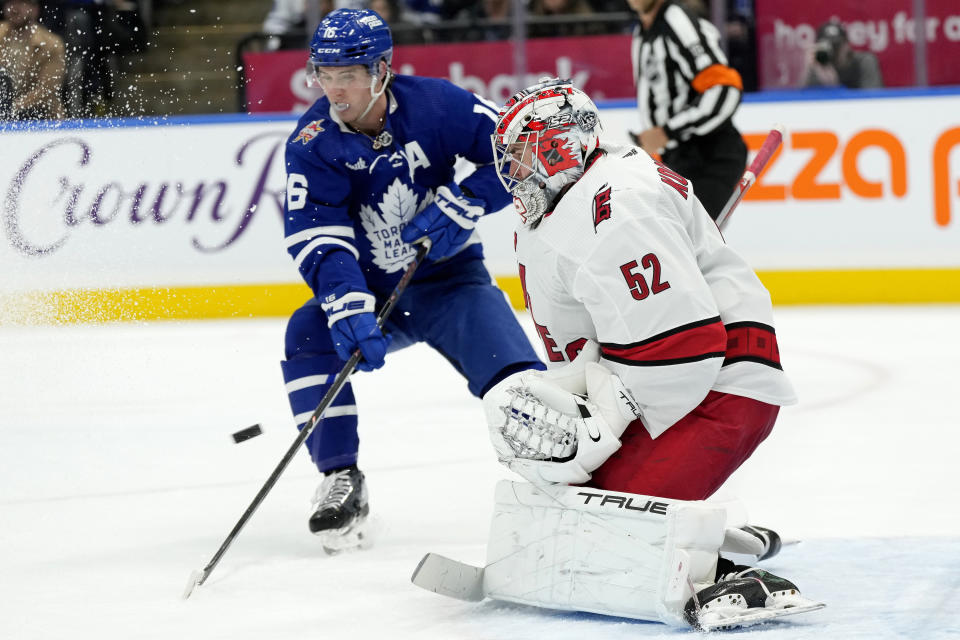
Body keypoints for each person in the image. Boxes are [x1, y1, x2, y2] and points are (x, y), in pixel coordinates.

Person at [476, 78, 822, 629]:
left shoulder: (617, 208)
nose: (512, 174)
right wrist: (576, 397)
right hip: (662, 384)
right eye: (508, 161)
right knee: (573, 502)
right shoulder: (571, 200)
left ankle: (719, 565)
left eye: (520, 157)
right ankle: (707, 528)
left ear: (558, 146)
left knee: (595, 532)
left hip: (721, 388)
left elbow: (688, 348)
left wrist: (599, 421)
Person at [280, 8, 544, 552]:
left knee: (524, 389)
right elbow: (317, 235)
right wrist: (345, 303)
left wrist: (472, 199)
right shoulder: (312, 143)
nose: (335, 89)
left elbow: (524, 148)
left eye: (347, 74)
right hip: (376, 296)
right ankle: (340, 476)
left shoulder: (438, 104)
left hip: (452, 285)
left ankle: (565, 483)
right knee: (307, 332)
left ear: (381, 69)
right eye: (324, 74)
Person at [627, 0, 746, 220]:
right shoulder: (641, 32)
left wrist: (667, 132)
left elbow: (724, 89)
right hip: (677, 162)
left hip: (709, 156)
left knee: (688, 245)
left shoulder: (677, 21)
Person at [802, 19, 883, 90]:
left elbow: (873, 100)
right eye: (827, 46)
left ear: (847, 46)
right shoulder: (817, 66)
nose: (832, 50)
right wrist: (806, 70)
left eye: (837, 45)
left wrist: (834, 87)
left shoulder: (862, 62)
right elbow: (800, 102)